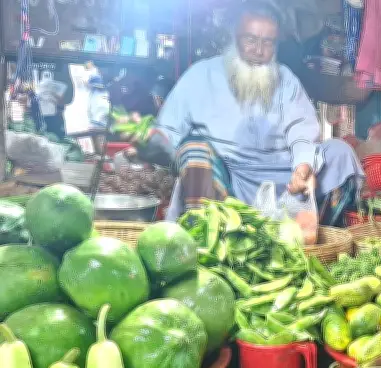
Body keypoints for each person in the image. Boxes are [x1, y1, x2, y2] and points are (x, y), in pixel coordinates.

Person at [121, 2, 363, 221]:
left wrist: (302, 166)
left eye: (267, 42)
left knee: (339, 153)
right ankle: (210, 244)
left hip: (283, 176)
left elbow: (301, 130)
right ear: (234, 37)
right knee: (193, 150)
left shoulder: (285, 79)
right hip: (226, 177)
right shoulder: (200, 76)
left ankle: (320, 240)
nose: (259, 50)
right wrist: (147, 143)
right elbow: (169, 136)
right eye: (250, 39)